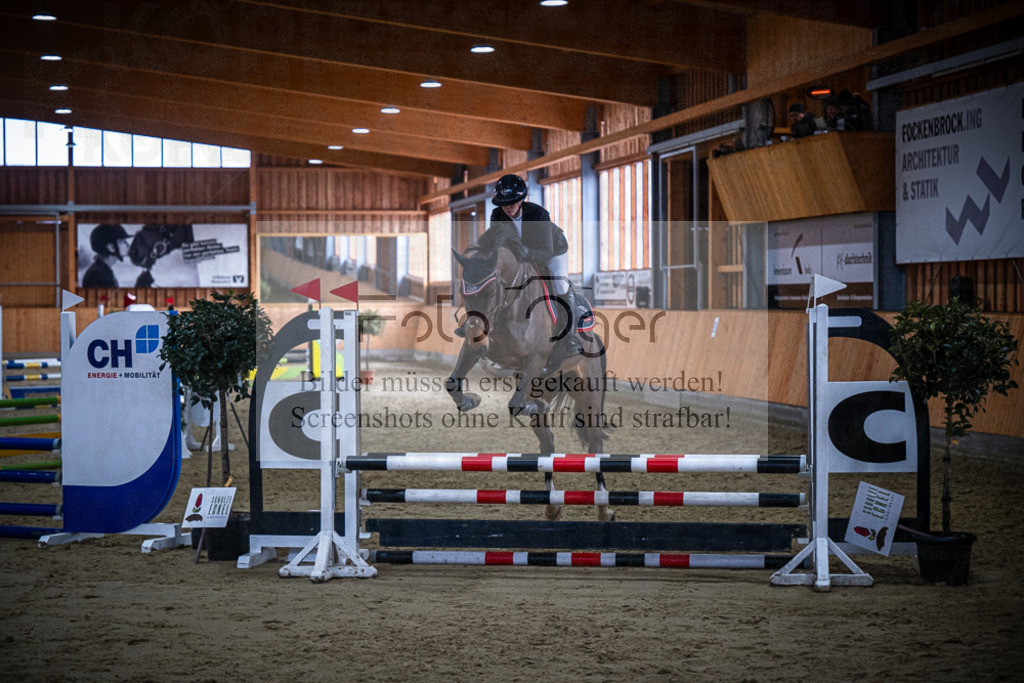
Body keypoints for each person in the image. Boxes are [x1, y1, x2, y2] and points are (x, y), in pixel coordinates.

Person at [457, 173, 583, 366]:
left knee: (560, 286)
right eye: (503, 203)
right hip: (521, 254)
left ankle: (570, 337)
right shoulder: (498, 215)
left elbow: (545, 253)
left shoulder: (539, 215)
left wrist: (525, 252)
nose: (507, 207)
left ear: (521, 199)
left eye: (512, 202)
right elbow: (497, 245)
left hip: (551, 251)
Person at [82, 223, 130, 287]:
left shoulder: (102, 270)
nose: (127, 245)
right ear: (111, 247)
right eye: (122, 241)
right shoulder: (98, 275)